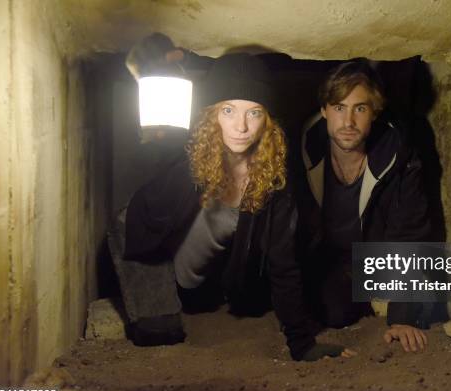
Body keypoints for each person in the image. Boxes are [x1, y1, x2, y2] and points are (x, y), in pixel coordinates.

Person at [109, 36, 353, 361]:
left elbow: (284, 262)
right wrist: (149, 58)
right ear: (213, 116)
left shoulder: (274, 178)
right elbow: (134, 212)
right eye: (228, 110)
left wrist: (302, 344)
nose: (240, 126)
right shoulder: (189, 156)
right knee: (158, 333)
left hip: (217, 289)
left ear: (267, 121)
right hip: (171, 276)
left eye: (253, 113)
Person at [296, 60, 431, 353]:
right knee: (332, 314)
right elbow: (291, 230)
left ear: (374, 113)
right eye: (339, 107)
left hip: (377, 258)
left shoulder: (399, 155)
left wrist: (403, 318)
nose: (348, 122)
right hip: (331, 260)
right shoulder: (305, 149)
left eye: (360, 108)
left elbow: (409, 233)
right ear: (323, 111)